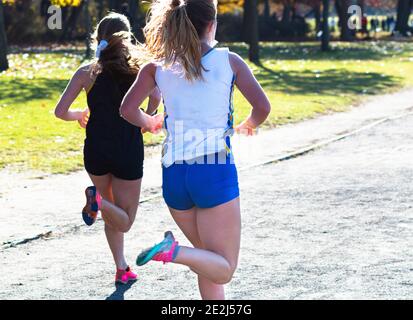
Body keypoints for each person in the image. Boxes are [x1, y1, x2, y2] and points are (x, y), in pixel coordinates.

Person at [120, 0, 271, 299]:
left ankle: (179, 253)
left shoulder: (156, 67)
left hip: (174, 175)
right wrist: (248, 124)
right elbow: (262, 107)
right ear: (212, 24)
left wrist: (150, 121)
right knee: (224, 267)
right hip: (213, 169)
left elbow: (126, 109)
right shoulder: (230, 60)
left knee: (207, 260)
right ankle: (172, 251)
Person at [54, 12, 161, 284]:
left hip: (96, 152)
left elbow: (60, 111)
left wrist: (80, 113)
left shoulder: (87, 72)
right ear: (126, 39)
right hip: (127, 149)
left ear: (98, 39)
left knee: (113, 212)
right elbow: (156, 96)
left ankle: (121, 268)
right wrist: (146, 117)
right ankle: (98, 202)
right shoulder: (139, 71)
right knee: (123, 219)